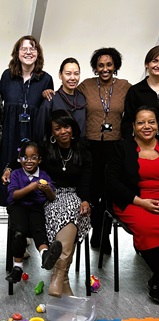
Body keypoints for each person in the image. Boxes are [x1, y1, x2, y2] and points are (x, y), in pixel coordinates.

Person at [106, 105, 159, 311]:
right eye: (141, 122)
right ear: (133, 126)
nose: (147, 126)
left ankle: (156, 280)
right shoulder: (122, 147)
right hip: (134, 201)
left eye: (151, 122)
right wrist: (140, 202)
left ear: (157, 125)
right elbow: (111, 181)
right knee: (147, 230)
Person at [76, 47, 131, 251]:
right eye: (100, 65)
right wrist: (49, 92)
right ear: (95, 67)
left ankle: (104, 234)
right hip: (90, 146)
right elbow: (67, 94)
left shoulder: (126, 86)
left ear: (115, 65)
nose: (105, 68)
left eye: (109, 64)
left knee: (110, 191)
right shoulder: (86, 86)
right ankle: (93, 231)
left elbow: (146, 95)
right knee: (93, 191)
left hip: (115, 146)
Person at [42, 109, 92, 297]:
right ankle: (62, 278)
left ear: (72, 128)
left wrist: (86, 199)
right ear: (52, 132)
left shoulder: (82, 149)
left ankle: (59, 275)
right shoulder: (45, 149)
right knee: (64, 212)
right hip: (51, 196)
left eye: (66, 126)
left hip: (75, 195)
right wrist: (8, 169)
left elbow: (86, 180)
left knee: (75, 210)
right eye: (58, 128)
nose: (63, 131)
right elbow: (22, 158)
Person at [0, 35, 54, 205]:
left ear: (38, 53)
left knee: (30, 187)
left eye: (33, 48)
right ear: (17, 53)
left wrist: (47, 95)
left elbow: (48, 110)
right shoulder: (6, 76)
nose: (28, 52)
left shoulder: (46, 79)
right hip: (9, 135)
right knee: (7, 185)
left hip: (32, 136)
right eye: (24, 48)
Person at [6, 140, 62, 284]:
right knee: (19, 232)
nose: (29, 161)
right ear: (20, 159)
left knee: (39, 229)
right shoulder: (17, 174)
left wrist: (47, 189)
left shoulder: (44, 176)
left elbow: (52, 197)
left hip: (36, 208)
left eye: (33, 157)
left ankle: (45, 255)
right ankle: (17, 268)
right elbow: (14, 195)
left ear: (39, 159)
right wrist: (31, 187)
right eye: (25, 157)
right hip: (18, 206)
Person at [36, 57, 86, 142]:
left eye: (76, 74)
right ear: (60, 75)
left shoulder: (83, 99)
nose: (73, 78)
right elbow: (40, 133)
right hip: (56, 151)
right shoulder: (51, 99)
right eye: (68, 74)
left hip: (79, 151)